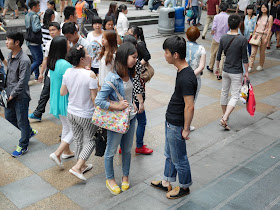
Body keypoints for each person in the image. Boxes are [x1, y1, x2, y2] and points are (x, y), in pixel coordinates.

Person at [151, 36, 197, 199]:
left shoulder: (186, 77)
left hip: (177, 124)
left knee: (179, 158)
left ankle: (184, 186)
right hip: (172, 120)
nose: (165, 55)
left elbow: (189, 105)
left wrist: (185, 129)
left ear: (175, 54)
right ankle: (167, 182)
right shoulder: (182, 71)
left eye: (166, 52)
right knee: (170, 154)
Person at [95, 42, 138, 195]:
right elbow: (98, 100)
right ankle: (110, 179)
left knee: (127, 150)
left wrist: (134, 104)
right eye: (133, 57)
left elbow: (129, 93)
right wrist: (117, 106)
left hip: (131, 118)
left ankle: (125, 176)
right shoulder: (113, 78)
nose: (135, 60)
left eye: (136, 57)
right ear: (124, 56)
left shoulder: (131, 73)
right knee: (111, 151)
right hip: (117, 121)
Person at [60, 44, 98, 181]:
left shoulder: (68, 72)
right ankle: (77, 167)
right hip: (86, 113)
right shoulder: (90, 75)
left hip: (71, 112)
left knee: (78, 139)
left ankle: (81, 165)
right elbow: (94, 98)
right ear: (82, 59)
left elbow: (62, 92)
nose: (89, 56)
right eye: (87, 54)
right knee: (92, 140)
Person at [4, 31, 37, 157]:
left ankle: (23, 145)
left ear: (17, 42)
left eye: (8, 40)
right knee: (9, 117)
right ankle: (28, 131)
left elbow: (23, 82)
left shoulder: (24, 60)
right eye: (6, 39)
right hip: (9, 93)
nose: (6, 42)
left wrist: (11, 95)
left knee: (22, 121)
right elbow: (10, 76)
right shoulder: (9, 55)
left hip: (20, 97)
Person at [216, 14, 249, 130]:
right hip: (236, 72)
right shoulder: (242, 39)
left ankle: (224, 114)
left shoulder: (223, 37)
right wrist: (247, 72)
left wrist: (217, 69)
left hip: (225, 70)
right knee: (235, 95)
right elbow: (245, 58)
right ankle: (225, 118)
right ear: (239, 24)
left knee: (224, 93)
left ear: (228, 25)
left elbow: (218, 55)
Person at [48, 36, 75, 168]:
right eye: (68, 43)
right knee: (75, 129)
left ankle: (66, 151)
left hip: (56, 99)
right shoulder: (64, 64)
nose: (69, 45)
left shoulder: (53, 62)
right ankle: (58, 153)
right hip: (65, 100)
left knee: (66, 126)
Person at [29, 22, 61, 121]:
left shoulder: (64, 42)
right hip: (51, 71)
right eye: (50, 30)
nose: (52, 32)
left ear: (59, 31)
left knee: (60, 94)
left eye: (54, 30)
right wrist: (41, 73)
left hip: (61, 73)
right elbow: (45, 59)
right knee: (44, 93)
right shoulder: (48, 44)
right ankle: (38, 113)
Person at [185, 26, 206, 130]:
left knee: (181, 100)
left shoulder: (182, 45)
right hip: (195, 79)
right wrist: (192, 74)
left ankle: (179, 123)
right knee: (191, 103)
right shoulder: (201, 49)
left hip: (182, 77)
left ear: (186, 35)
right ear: (198, 36)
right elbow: (201, 66)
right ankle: (187, 125)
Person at [207, 2, 229, 79]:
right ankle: (219, 73)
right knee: (222, 56)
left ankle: (211, 67)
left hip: (216, 37)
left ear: (220, 8)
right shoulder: (228, 17)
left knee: (213, 53)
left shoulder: (216, 17)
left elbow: (214, 27)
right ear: (227, 9)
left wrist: (212, 31)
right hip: (225, 39)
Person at [248, 3, 273, 72]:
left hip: (264, 35)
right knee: (253, 52)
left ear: (267, 8)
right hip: (256, 35)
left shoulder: (270, 17)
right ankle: (250, 65)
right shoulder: (258, 16)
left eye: (265, 7)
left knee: (262, 52)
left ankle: (261, 65)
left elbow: (270, 28)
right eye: (262, 7)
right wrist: (253, 35)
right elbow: (256, 26)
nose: (263, 9)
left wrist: (267, 39)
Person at [25, 0, 43, 81]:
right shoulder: (35, 16)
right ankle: (26, 74)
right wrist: (41, 24)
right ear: (34, 7)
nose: (39, 7)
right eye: (38, 6)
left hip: (29, 40)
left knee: (35, 59)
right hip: (35, 41)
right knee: (39, 60)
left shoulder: (27, 15)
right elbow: (36, 29)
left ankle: (36, 76)